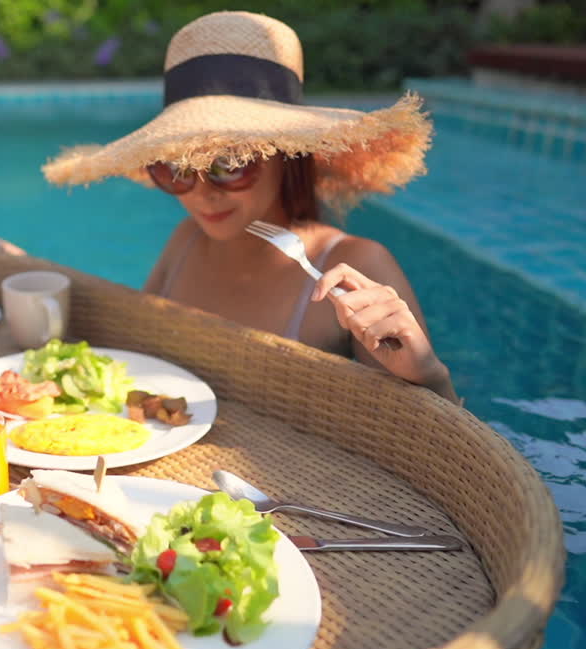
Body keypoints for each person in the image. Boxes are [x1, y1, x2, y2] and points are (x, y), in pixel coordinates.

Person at [40, 11, 458, 403]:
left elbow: (434, 457)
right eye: (176, 169)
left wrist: (429, 376)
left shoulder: (356, 265)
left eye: (230, 165)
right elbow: (132, 352)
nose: (202, 194)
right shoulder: (185, 242)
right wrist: (18, 265)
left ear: (287, 155)